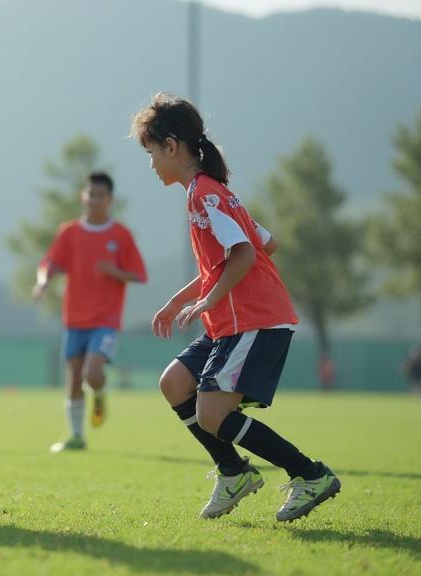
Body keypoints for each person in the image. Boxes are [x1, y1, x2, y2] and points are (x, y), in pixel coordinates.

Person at [132, 92, 340, 522]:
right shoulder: (215, 193)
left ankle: (310, 474)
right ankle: (233, 473)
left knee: (211, 414)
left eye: (151, 153)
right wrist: (178, 301)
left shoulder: (204, 195)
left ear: (171, 146)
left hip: (253, 320)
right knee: (175, 383)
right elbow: (266, 243)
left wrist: (209, 298)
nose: (150, 164)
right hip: (231, 322)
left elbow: (244, 252)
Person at [33, 171, 147, 453]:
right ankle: (76, 436)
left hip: (106, 320)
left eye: (100, 195)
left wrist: (114, 272)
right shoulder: (69, 232)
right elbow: (50, 263)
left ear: (110, 199)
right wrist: (43, 280)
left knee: (92, 373)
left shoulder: (120, 235)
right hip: (74, 319)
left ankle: (99, 392)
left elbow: (139, 275)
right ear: (82, 196)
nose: (94, 200)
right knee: (74, 379)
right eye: (90, 194)